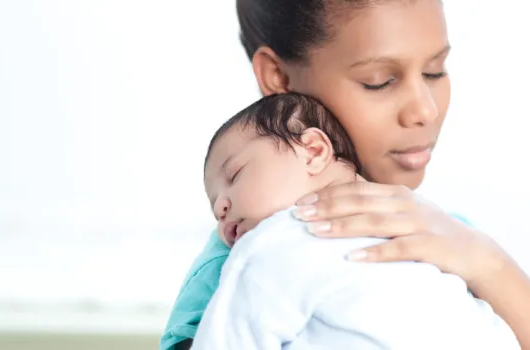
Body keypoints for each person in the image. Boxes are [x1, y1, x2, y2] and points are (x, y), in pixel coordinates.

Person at [160, 1, 530, 349]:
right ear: (278, 76)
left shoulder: (449, 234)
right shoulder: (236, 264)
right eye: (379, 80)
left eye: (435, 71)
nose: (425, 110)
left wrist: (488, 263)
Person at [191, 92, 519, 349]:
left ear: (314, 150)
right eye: (213, 204)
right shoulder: (424, 231)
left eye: (234, 174)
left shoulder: (273, 244)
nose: (221, 206)